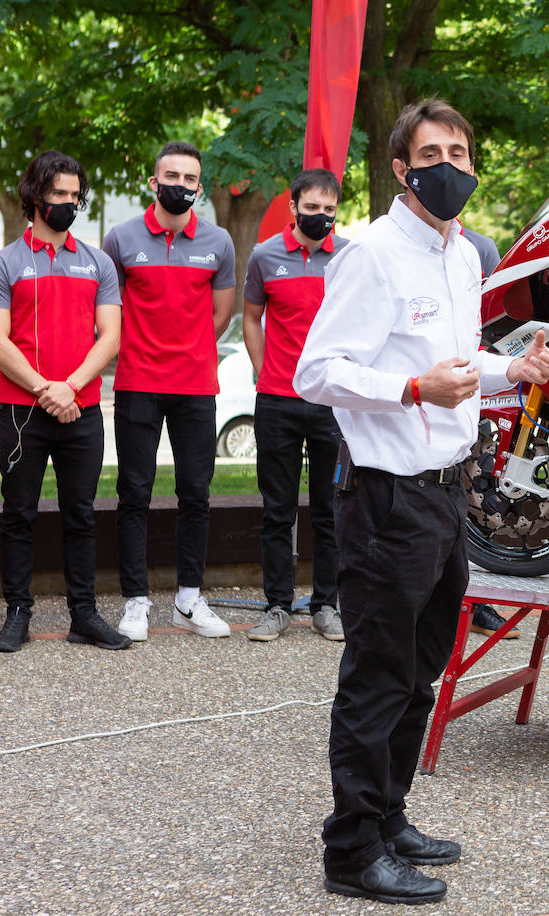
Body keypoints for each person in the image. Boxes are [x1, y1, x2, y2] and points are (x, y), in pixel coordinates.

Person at [295, 97, 549, 905]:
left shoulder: (464, 256)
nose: (451, 164)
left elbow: (456, 360)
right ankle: (351, 852)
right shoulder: (371, 254)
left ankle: (390, 817)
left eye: (461, 150)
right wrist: (411, 388)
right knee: (377, 675)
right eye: (432, 152)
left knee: (420, 673)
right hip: (384, 500)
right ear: (403, 169)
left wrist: (505, 371)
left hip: (448, 497)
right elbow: (318, 371)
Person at [0, 150, 130, 653]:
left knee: (80, 514)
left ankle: (83, 615)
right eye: (58, 194)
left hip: (82, 408)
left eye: (74, 195)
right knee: (19, 512)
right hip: (24, 411)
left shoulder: (98, 262)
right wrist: (49, 390)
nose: (68, 203)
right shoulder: (4, 263)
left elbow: (109, 336)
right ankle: (17, 613)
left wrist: (71, 387)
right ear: (35, 196)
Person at [102, 141, 236, 641]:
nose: (180, 185)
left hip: (196, 385)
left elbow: (220, 315)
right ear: (153, 182)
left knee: (195, 494)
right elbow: (109, 311)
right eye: (171, 177)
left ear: (199, 187)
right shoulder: (121, 238)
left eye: (189, 179)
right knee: (134, 493)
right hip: (137, 382)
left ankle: (187, 599)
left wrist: (190, 348)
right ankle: (136, 600)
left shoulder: (219, 242)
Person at [240, 169, 349, 643]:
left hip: (332, 403)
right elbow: (250, 316)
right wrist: (264, 371)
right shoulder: (265, 256)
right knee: (277, 510)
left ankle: (327, 605)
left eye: (329, 210)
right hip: (278, 402)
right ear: (294, 208)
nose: (321, 218)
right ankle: (277, 605)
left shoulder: (349, 257)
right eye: (312, 209)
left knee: (331, 509)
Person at [454, 219, 518, 640]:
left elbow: (497, 324)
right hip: (422, 399)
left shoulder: (480, 248)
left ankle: (478, 603)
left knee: (478, 501)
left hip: (479, 396)